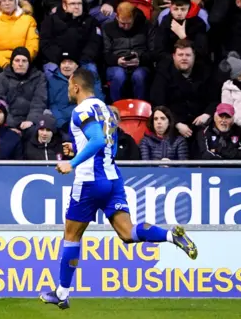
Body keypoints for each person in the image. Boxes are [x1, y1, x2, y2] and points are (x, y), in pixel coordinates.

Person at [39, 68, 198, 310]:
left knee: (72, 236)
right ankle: (170, 235)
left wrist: (71, 163)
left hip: (89, 181)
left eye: (70, 84)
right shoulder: (106, 109)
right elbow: (103, 144)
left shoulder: (81, 110)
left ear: (76, 87)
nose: (68, 89)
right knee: (127, 232)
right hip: (113, 178)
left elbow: (97, 140)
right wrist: (78, 148)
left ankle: (62, 292)